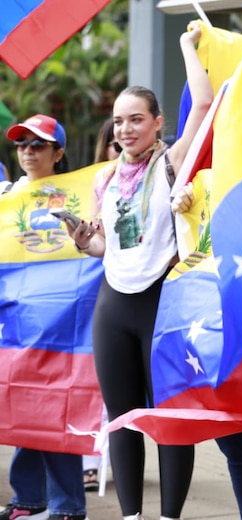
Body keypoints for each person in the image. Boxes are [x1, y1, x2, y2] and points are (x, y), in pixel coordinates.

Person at [63, 21, 212, 520]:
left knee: (169, 418)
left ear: (156, 122)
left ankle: (168, 517)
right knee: (121, 417)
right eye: (119, 120)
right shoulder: (106, 178)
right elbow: (113, 245)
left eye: (136, 119)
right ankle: (132, 516)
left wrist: (186, 45)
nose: (126, 128)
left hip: (160, 302)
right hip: (114, 302)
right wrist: (89, 243)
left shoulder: (171, 163)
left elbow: (207, 106)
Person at [0, 114, 87, 520]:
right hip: (17, 317)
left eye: (38, 145)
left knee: (54, 405)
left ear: (59, 152)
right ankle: (27, 499)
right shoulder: (6, 196)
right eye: (22, 145)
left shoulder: (80, 193)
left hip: (61, 318)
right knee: (21, 403)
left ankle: (67, 505)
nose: (28, 152)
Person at [81, 116, 121, 493]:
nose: (120, 143)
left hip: (132, 296)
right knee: (95, 384)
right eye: (113, 139)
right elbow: (97, 244)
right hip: (99, 295)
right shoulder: (96, 182)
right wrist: (83, 241)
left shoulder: (162, 173)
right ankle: (92, 461)